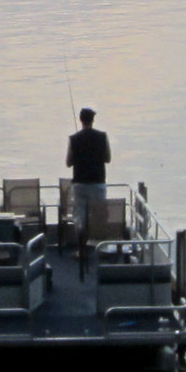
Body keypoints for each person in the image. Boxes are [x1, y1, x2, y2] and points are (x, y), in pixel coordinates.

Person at [65, 107, 110, 263]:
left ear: (80, 120)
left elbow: (68, 162)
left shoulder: (73, 139)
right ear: (92, 120)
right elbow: (108, 158)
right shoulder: (102, 137)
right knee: (100, 216)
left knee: (80, 219)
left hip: (80, 184)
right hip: (98, 183)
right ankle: (102, 248)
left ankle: (81, 250)